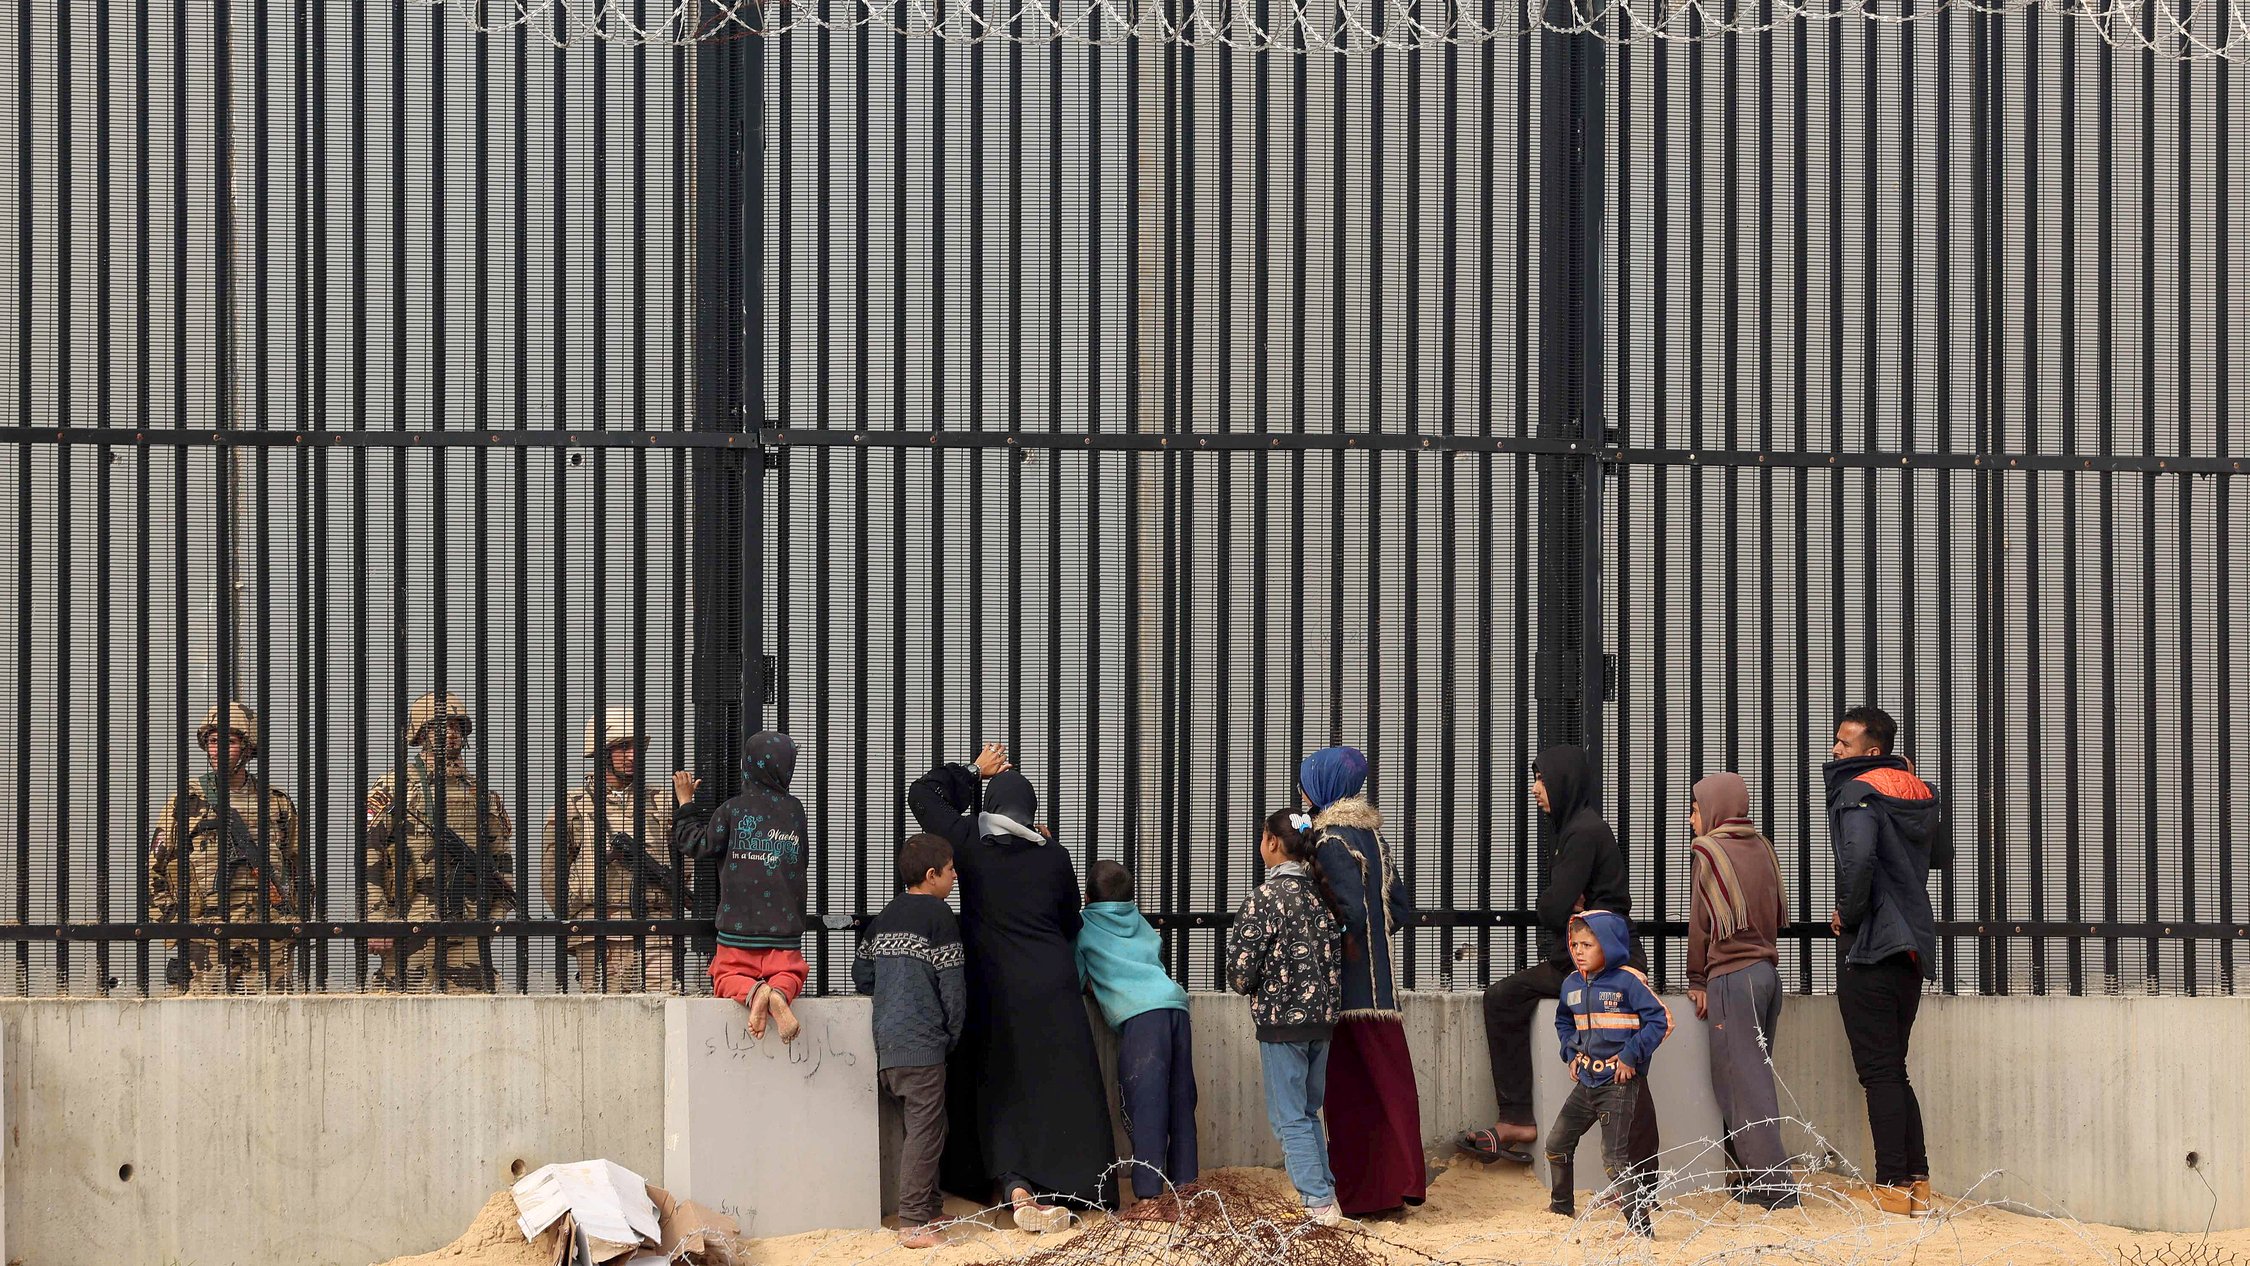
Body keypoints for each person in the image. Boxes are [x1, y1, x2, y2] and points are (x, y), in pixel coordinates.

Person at [909, 745, 1113, 1230]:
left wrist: (972, 771)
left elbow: (922, 794)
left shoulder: (970, 844)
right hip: (1052, 985)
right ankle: (1074, 1185)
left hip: (995, 985)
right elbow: (1070, 921)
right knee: (1057, 1085)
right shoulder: (1054, 855)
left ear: (991, 806)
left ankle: (1014, 1185)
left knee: (1000, 1083)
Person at [1457, 744, 1652, 1169]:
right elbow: (1560, 905)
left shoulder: (1581, 834)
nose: (1535, 788)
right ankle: (1519, 1119)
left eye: (1542, 779)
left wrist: (1565, 903)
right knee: (1509, 998)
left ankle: (1517, 1119)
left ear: (1563, 781)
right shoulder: (1578, 829)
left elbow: (1550, 909)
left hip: (1603, 964)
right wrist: (1566, 903)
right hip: (1591, 959)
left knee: (1503, 999)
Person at [1826, 706, 1948, 1218]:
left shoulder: (1857, 792)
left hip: (1873, 945)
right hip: (1913, 944)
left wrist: (1848, 914)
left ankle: (1892, 1184)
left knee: (1878, 1071)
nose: (1835, 750)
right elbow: (1938, 856)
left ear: (1871, 751)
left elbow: (1858, 860)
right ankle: (1916, 1182)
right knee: (1893, 1069)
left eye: (1845, 743)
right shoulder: (1919, 790)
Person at [1299, 745, 1425, 1217]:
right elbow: (1399, 909)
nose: (1302, 792)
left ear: (1323, 786)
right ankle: (1399, 1185)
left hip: (1346, 988)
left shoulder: (1329, 840)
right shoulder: (1373, 837)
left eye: (1306, 782)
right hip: (1382, 988)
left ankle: (1365, 1194)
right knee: (1388, 1085)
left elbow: (1345, 913)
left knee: (1350, 1094)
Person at [1225, 808, 1346, 1228]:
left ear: (1272, 842)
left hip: (1282, 1025)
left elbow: (1240, 975)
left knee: (1288, 1117)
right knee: (1308, 1112)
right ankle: (1326, 1195)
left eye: (1262, 837)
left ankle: (1317, 1203)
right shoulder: (1321, 896)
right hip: (1322, 1022)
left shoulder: (1264, 898)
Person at [1685, 770, 1797, 1209]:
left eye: (1695, 809)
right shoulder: (1762, 847)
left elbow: (1701, 924)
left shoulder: (1709, 852)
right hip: (1767, 976)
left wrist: (1697, 978)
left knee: (1742, 1084)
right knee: (1756, 1079)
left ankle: (1774, 1187)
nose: (1692, 820)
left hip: (1733, 977)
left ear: (1714, 808)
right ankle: (1761, 1178)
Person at [854, 833, 969, 1250]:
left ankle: (932, 1208)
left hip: (888, 1044)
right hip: (923, 1044)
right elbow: (952, 986)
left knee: (929, 1126)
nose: (955, 877)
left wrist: (892, 994)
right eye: (951, 870)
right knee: (924, 1131)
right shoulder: (940, 916)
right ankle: (914, 1223)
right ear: (931, 875)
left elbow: (862, 974)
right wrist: (951, 1032)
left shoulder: (886, 915)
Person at [365, 691, 515, 992]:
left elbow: (501, 859)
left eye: (457, 726)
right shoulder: (396, 786)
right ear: (421, 733)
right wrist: (377, 918)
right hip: (412, 914)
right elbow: (371, 853)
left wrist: (497, 914)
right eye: (441, 726)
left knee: (474, 1005)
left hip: (469, 917)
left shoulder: (481, 794)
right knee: (400, 1003)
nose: (451, 733)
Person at [150, 703, 304, 993]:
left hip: (267, 936)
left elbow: (297, 868)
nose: (217, 750)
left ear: (247, 747)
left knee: (272, 1015)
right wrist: (175, 923)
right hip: (205, 937)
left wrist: (293, 921)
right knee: (198, 1015)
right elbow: (154, 869)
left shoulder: (276, 803)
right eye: (212, 741)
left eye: (229, 742)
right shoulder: (187, 802)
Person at [1076, 859, 1198, 1214]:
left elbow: (1078, 977)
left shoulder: (1084, 927)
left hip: (1142, 1019)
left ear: (1087, 897)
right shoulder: (1140, 922)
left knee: (1147, 1104)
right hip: (1176, 1006)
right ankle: (1187, 1189)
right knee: (1181, 1100)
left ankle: (1148, 1196)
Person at [673, 730, 811, 1042]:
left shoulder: (733, 810)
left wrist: (685, 803)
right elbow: (802, 860)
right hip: (784, 931)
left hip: (738, 930)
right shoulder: (795, 811)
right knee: (792, 973)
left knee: (724, 976)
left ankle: (755, 992)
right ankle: (779, 993)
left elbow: (698, 844)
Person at [1545, 910, 1671, 1238]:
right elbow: (1563, 1021)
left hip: (1618, 1084)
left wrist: (1631, 1056)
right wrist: (1570, 1052)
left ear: (1609, 945)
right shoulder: (1571, 984)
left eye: (1587, 945)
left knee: (1614, 1160)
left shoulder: (1629, 981)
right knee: (1557, 1143)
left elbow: (1661, 1021)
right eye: (1574, 944)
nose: (1578, 951)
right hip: (1586, 1082)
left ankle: (1641, 1229)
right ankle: (1560, 1208)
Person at [545, 708, 681, 993]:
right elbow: (551, 874)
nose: (632, 755)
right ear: (602, 752)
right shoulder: (572, 806)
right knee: (603, 1010)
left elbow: (685, 863)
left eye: (637, 746)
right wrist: (576, 914)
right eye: (623, 747)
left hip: (655, 926)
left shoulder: (663, 802)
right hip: (597, 928)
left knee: (664, 1004)